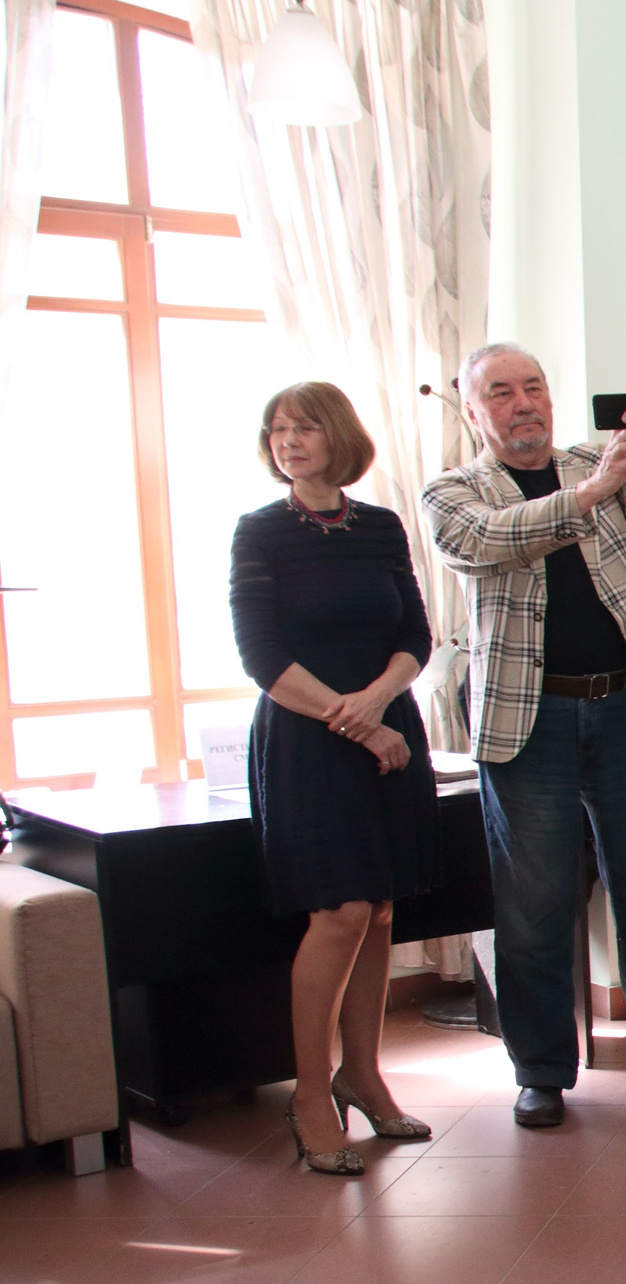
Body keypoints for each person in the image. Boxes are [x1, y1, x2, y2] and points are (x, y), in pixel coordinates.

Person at [423, 345, 626, 1129]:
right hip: (527, 724)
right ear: (471, 410)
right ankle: (540, 1069)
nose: (524, 404)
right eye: (501, 393)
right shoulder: (452, 492)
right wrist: (588, 494)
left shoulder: (594, 460)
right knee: (534, 904)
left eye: (534, 387)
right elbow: (496, 538)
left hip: (621, 711)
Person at [231, 381, 439, 1175]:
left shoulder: (380, 526)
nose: (288, 440)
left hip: (387, 726)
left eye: (304, 427)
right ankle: (311, 1095)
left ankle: (365, 1074)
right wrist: (355, 720)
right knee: (341, 909)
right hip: (308, 737)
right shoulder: (260, 534)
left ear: (338, 436)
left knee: (381, 911)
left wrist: (382, 701)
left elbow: (414, 633)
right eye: (276, 429)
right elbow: (263, 659)